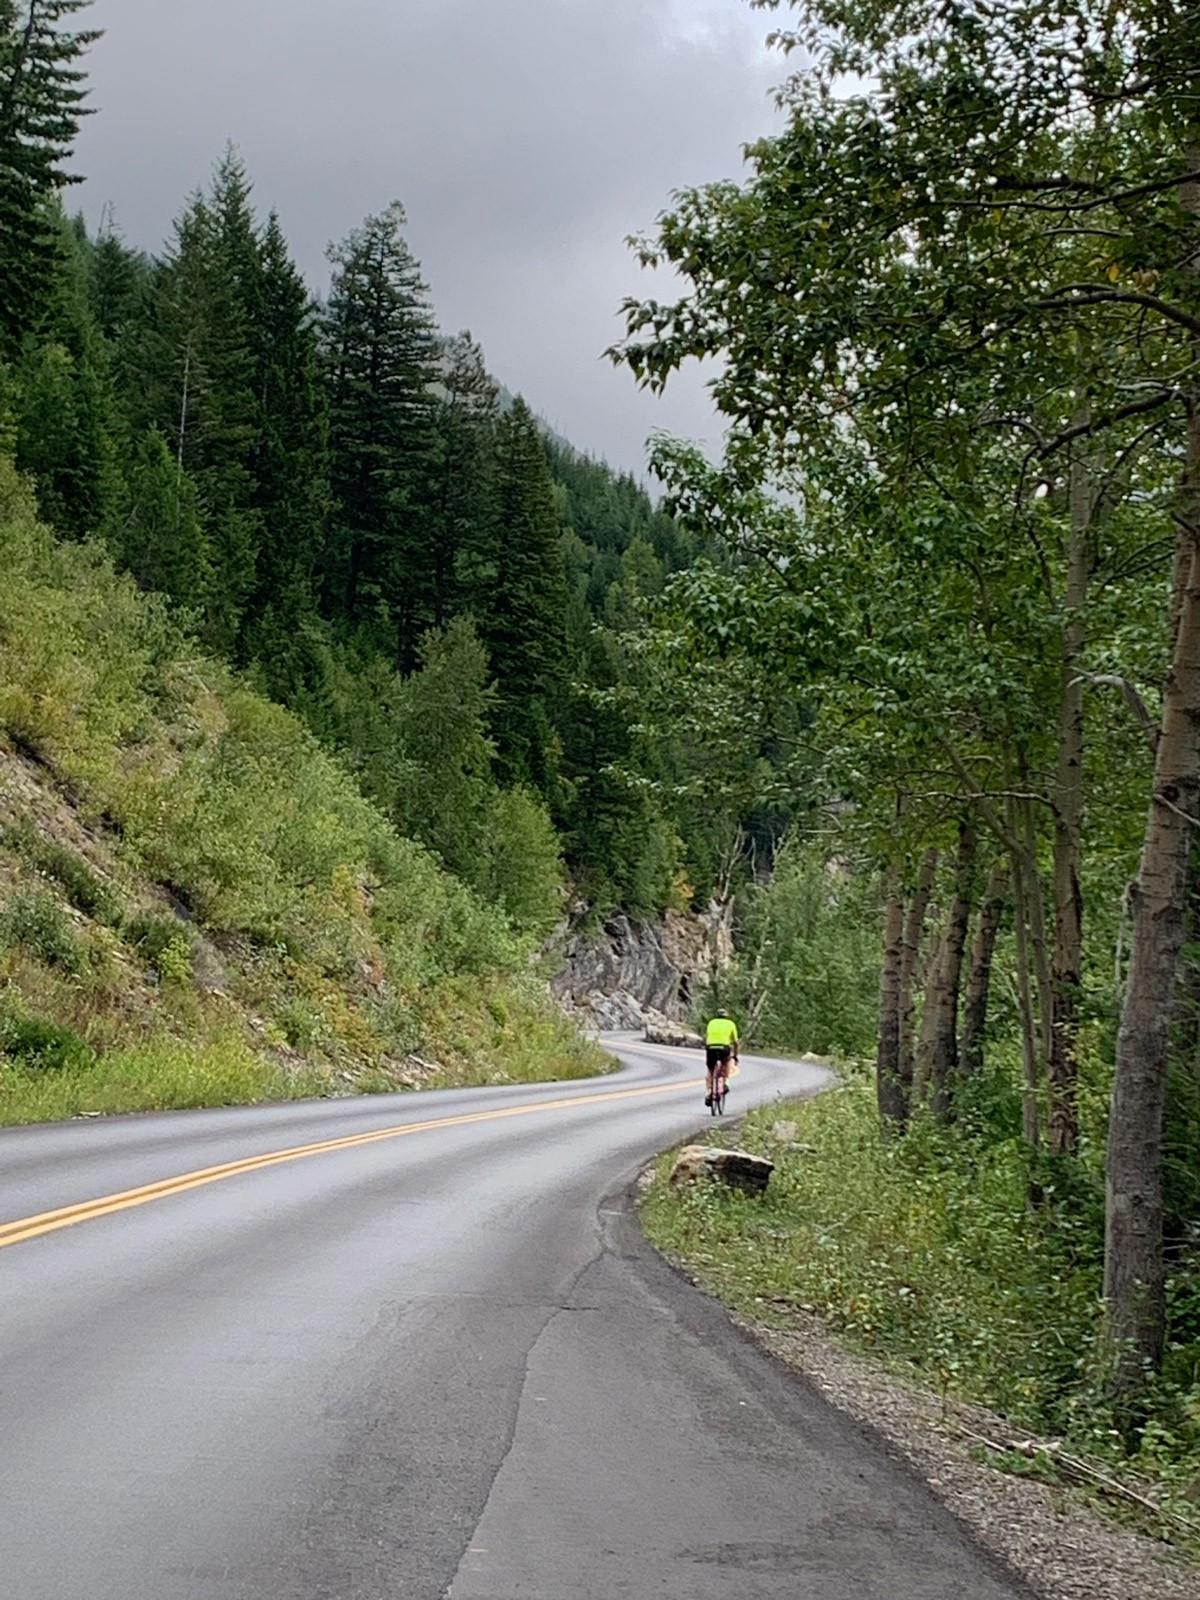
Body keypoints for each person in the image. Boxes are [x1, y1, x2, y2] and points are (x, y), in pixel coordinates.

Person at [704, 1008, 739, 1106]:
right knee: (727, 1061)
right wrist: (735, 1056)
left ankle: (709, 1092)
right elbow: (736, 1042)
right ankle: (726, 1083)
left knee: (710, 1070)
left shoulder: (711, 1023)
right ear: (726, 1015)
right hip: (724, 1048)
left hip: (711, 1048)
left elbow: (707, 1037)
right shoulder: (731, 1024)